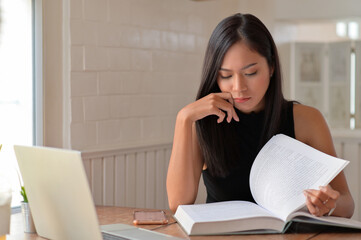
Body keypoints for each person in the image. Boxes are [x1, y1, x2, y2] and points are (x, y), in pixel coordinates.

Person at [166, 13, 354, 218]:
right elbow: (178, 204)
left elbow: (347, 203)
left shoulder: (307, 120)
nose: (238, 87)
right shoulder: (202, 122)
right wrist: (183, 118)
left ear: (271, 67)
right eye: (226, 75)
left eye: (251, 73)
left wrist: (328, 205)